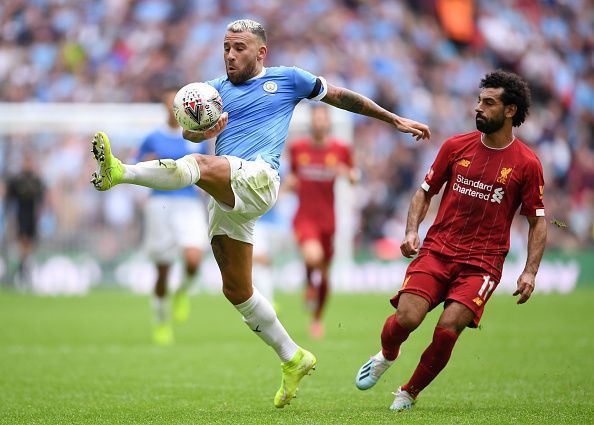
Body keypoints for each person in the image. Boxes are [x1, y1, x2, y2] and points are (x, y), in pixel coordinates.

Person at [89, 19, 430, 407]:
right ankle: (293, 357)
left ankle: (119, 173)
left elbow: (341, 96)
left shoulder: (289, 80)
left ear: (260, 52)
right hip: (229, 194)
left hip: (259, 178)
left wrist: (394, 119)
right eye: (226, 47)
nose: (230, 55)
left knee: (197, 165)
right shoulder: (212, 91)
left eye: (239, 48)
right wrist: (205, 129)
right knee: (237, 289)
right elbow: (190, 132)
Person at [355, 70, 547, 411]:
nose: (479, 108)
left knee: (447, 329)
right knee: (407, 318)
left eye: (489, 103)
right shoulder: (456, 146)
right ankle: (387, 354)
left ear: (510, 111)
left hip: (483, 263)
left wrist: (530, 271)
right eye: (479, 101)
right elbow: (424, 192)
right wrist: (412, 230)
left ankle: (408, 392)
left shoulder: (527, 164)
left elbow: (538, 221)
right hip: (438, 250)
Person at [137, 86, 209, 346]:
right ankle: (161, 321)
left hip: (188, 204)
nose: (172, 108)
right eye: (168, 103)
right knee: (163, 270)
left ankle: (182, 292)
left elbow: (207, 169)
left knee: (193, 259)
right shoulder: (152, 138)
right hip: (160, 205)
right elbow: (138, 168)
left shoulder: (195, 137)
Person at [287, 105, 359, 339]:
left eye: (322, 119)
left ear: (328, 123)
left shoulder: (341, 149)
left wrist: (347, 173)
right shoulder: (298, 148)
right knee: (313, 256)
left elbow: (353, 176)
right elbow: (293, 175)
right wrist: (287, 183)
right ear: (311, 122)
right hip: (304, 217)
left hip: (328, 220)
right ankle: (309, 283)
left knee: (325, 274)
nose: (319, 123)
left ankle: (317, 319)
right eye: (316, 118)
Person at [5, 152, 45, 289]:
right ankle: (23, 271)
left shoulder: (36, 180)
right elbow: (9, 199)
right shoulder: (17, 180)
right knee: (23, 242)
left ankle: (24, 268)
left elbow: (41, 198)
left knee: (29, 244)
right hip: (21, 216)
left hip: (32, 216)